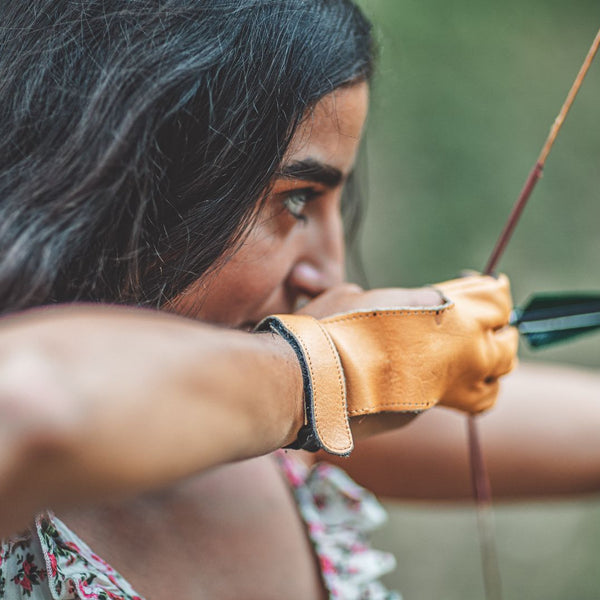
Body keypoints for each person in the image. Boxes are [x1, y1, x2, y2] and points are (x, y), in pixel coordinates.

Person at [0, 2, 598, 599]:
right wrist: (331, 369)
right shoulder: (290, 406)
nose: (329, 271)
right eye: (296, 200)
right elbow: (33, 401)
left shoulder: (284, 440)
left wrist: (373, 368)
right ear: (136, 177)